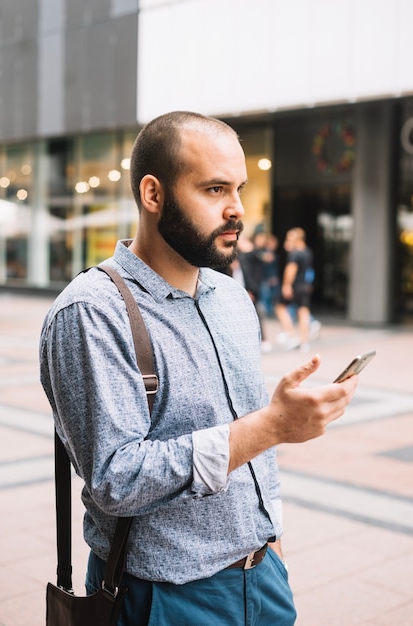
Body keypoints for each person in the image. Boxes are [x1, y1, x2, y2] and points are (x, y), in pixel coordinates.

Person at [40, 111, 358, 626]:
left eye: (240, 188)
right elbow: (115, 479)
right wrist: (269, 427)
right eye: (214, 190)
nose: (237, 210)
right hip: (161, 597)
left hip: (263, 578)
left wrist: (270, 537)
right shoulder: (92, 312)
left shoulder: (232, 297)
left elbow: (254, 449)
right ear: (153, 193)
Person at [275, 227, 316, 352]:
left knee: (280, 307)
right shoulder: (307, 252)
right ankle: (304, 341)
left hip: (295, 286)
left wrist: (287, 285)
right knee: (303, 312)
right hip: (304, 286)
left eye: (290, 237)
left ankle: (291, 334)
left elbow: (291, 269)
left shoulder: (295, 254)